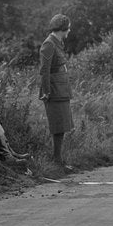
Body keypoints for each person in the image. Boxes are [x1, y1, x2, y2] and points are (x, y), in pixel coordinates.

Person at [39, 14, 75, 170]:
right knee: (58, 125)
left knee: (62, 126)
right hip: (54, 90)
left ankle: (58, 159)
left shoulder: (57, 42)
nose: (69, 31)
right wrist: (46, 91)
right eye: (68, 28)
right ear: (63, 28)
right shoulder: (49, 44)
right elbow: (44, 70)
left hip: (61, 89)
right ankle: (57, 160)